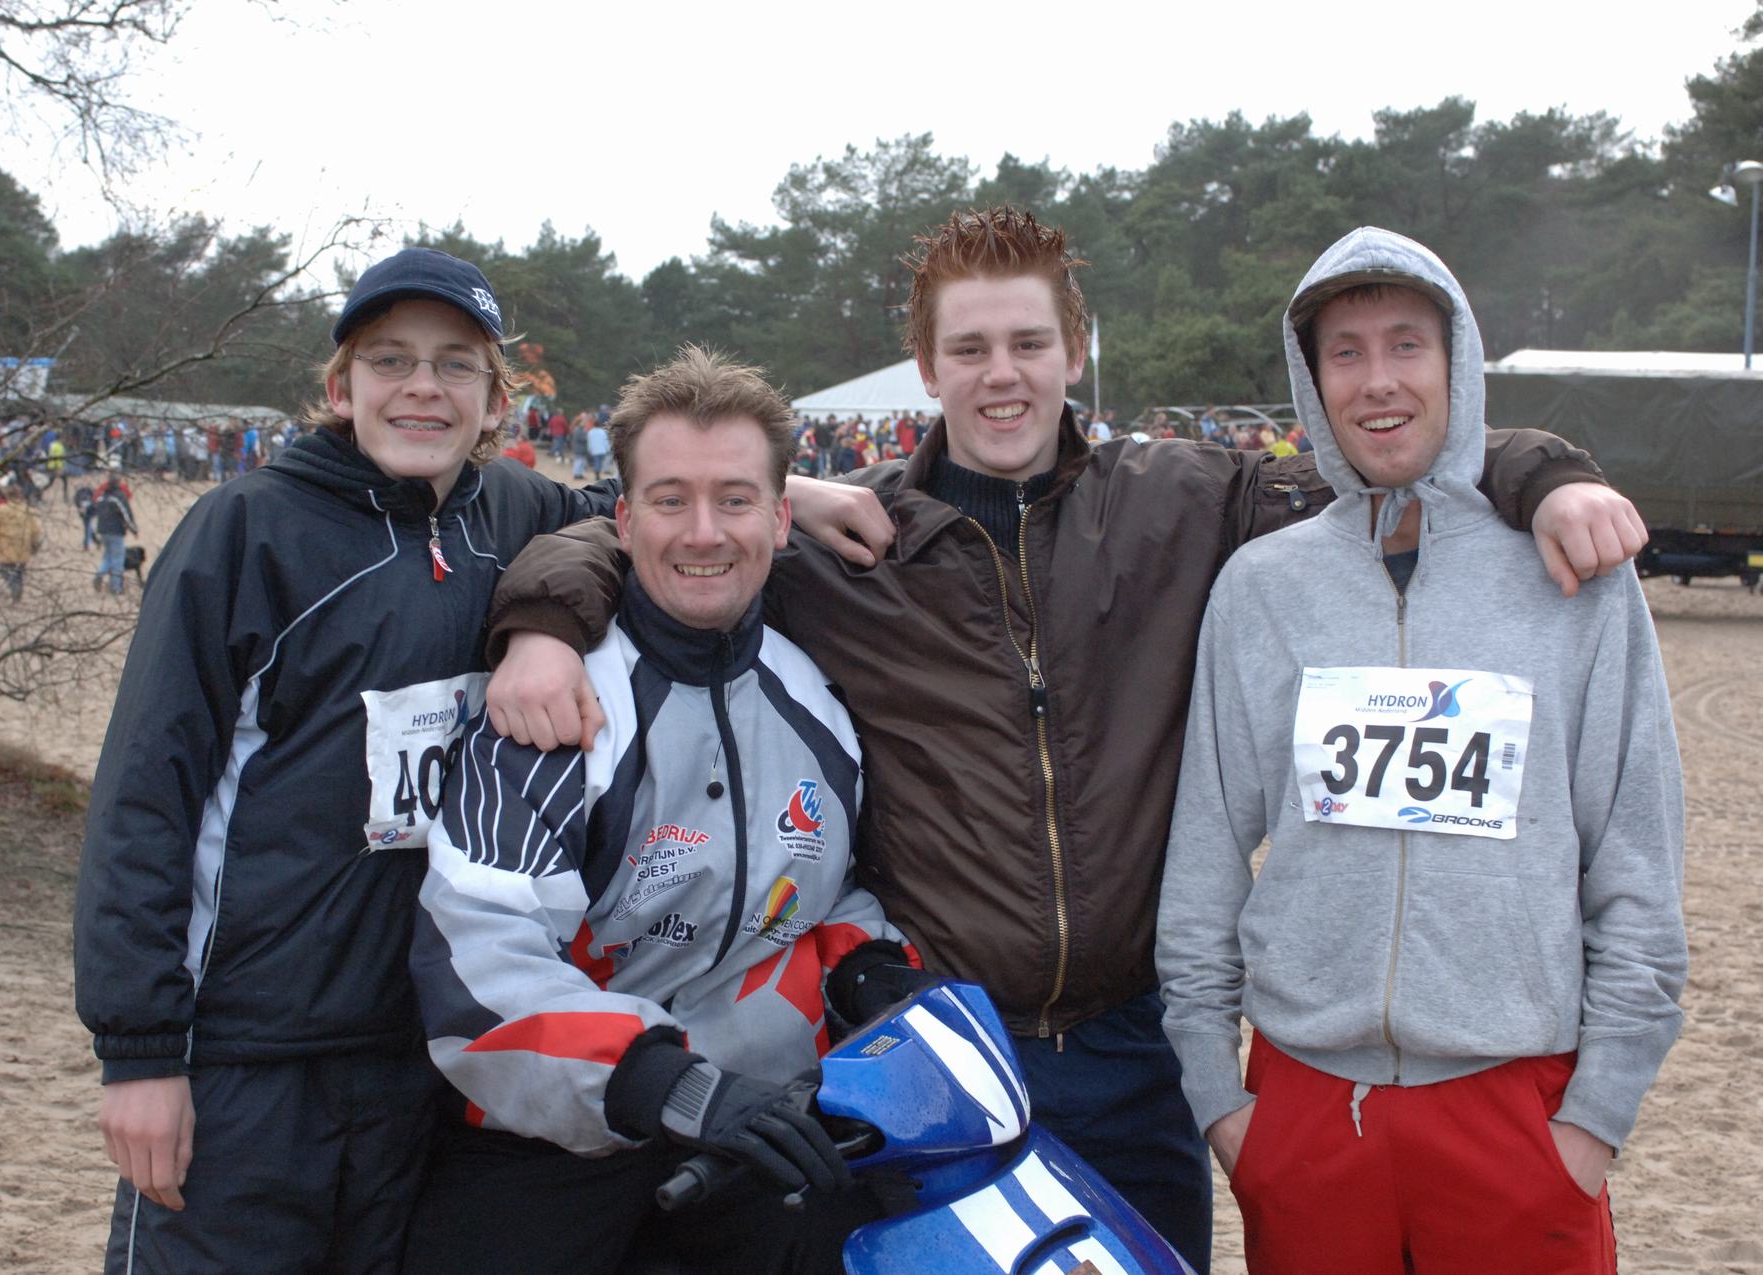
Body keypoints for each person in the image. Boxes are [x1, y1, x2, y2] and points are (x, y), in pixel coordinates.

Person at [479, 207, 1646, 1272]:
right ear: (927, 365)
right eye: (971, 349)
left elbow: (1382, 459)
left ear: (1074, 350)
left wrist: (1544, 472)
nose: (1002, 374)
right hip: (934, 1053)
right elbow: (654, 534)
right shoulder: (846, 544)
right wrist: (542, 622)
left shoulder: (1187, 500)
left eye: (1029, 343)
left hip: (1135, 1052)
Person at [71, 246, 895, 1275]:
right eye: (389, 360)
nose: (422, 387)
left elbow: (637, 509)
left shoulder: (509, 514)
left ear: (496, 401)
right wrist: (140, 1055)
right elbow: (145, 799)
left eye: (455, 364)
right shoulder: (246, 531)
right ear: (340, 386)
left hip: (415, 1056)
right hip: (251, 1049)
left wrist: (793, 494)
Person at [1155, 227, 1687, 1273]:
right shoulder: (1263, 588)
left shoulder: (1574, 578)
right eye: (1345, 352)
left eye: (1407, 344)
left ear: (1458, 363)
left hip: (1518, 1116)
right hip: (1306, 1113)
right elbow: (1205, 856)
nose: (1378, 381)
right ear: (1313, 382)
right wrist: (1222, 1102)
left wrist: (1592, 1122)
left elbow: (1638, 859)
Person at [405, 347, 916, 1273]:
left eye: (735, 499)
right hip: (550, 1135)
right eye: (672, 499)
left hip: (751, 1125)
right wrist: (666, 1082)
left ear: (781, 517)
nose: (704, 533)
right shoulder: (555, 700)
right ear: (626, 517)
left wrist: (867, 969)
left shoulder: (817, 699)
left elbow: (822, 897)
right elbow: (475, 956)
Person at [0, 483, 41, 602]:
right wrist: (33, 542)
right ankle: (17, 594)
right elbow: (36, 530)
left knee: (5, 570)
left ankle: (14, 588)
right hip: (23, 547)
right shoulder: (26, 510)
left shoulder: (1, 510)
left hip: (6, 547)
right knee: (19, 572)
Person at [91, 478, 138, 595]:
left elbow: (96, 511)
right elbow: (126, 514)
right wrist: (134, 529)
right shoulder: (119, 497)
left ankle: (99, 574)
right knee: (118, 560)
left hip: (102, 531)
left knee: (107, 557)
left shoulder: (102, 497)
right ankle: (115, 588)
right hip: (116, 532)